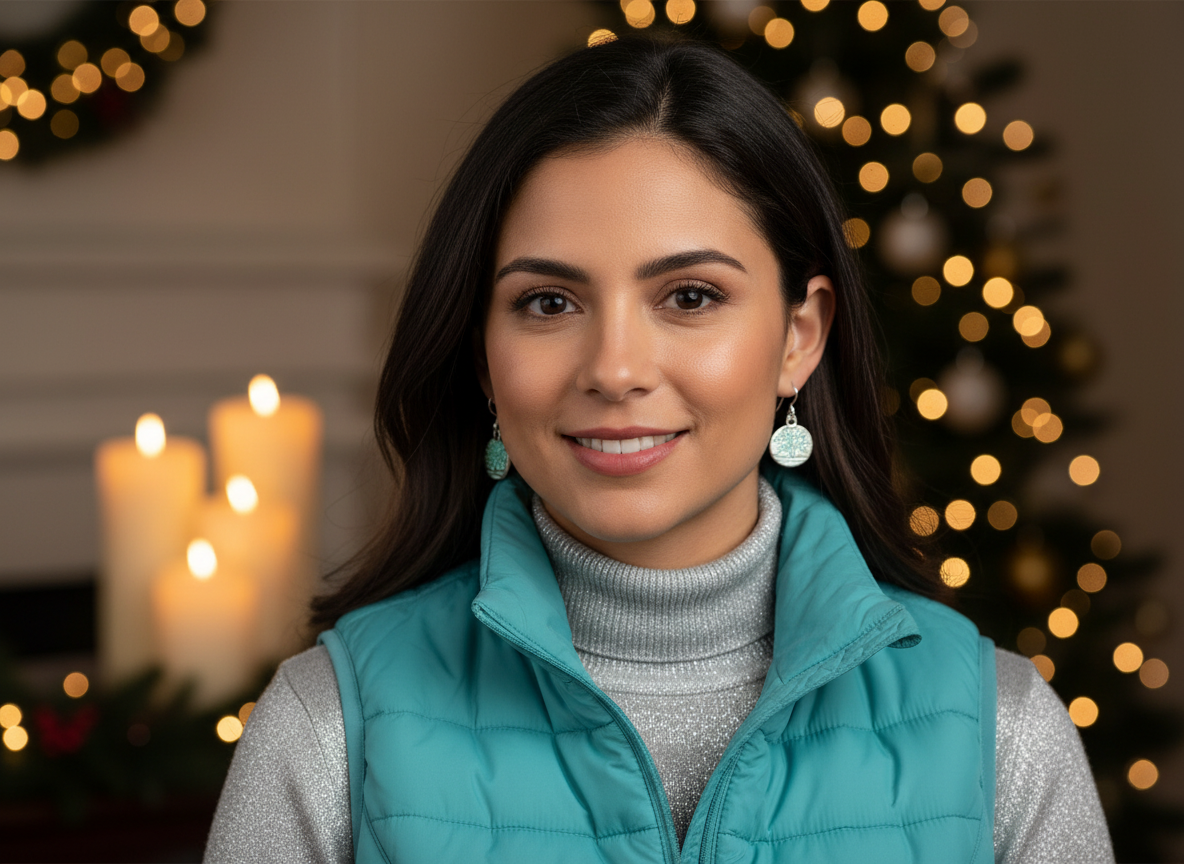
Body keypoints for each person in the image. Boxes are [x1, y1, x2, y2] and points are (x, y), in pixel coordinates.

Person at [204, 36, 1113, 864]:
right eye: (549, 303)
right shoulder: (330, 728)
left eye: (688, 297)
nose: (615, 369)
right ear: (483, 355)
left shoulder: (1001, 730)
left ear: (800, 335)